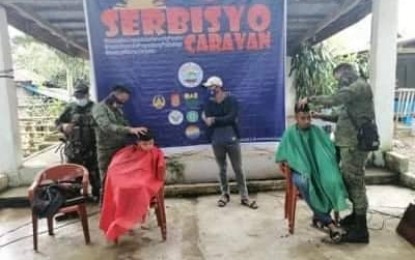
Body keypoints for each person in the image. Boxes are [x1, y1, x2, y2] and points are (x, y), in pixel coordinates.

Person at [299, 63, 376, 243]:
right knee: (348, 180)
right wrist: (319, 116)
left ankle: (361, 229)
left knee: (354, 182)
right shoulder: (352, 95)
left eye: (338, 77)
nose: (339, 82)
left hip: (355, 144)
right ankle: (356, 217)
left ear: (346, 73)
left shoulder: (358, 87)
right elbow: (339, 116)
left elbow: (335, 99)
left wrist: (310, 98)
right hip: (346, 143)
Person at [275, 103, 348, 241]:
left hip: (318, 169)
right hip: (299, 171)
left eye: (309, 118)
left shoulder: (317, 131)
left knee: (332, 180)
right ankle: (329, 222)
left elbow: (329, 150)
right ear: (296, 118)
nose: (307, 121)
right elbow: (282, 158)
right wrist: (290, 164)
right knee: (304, 182)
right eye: (303, 118)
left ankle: (319, 216)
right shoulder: (290, 133)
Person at [202, 76, 257, 209]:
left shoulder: (232, 100)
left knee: (238, 168)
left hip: (232, 137)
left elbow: (231, 117)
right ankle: (224, 194)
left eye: (211, 87)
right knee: (222, 169)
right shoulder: (209, 103)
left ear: (218, 87)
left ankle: (244, 197)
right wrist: (211, 119)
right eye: (208, 88)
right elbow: (208, 118)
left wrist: (214, 119)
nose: (209, 90)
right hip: (216, 138)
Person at [99, 131, 165, 242]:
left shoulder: (156, 152)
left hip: (145, 179)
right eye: (145, 144)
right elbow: (114, 166)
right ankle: (122, 219)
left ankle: (133, 217)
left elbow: (160, 171)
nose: (149, 146)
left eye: (151, 143)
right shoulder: (128, 151)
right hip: (126, 178)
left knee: (140, 187)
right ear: (138, 143)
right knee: (120, 189)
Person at [92, 85, 147, 200]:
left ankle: (120, 207)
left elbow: (124, 125)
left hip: (120, 149)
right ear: (116, 94)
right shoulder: (99, 108)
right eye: (122, 99)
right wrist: (130, 130)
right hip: (106, 151)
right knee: (107, 180)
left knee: (121, 179)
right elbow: (106, 126)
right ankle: (105, 208)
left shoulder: (117, 110)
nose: (123, 102)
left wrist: (137, 132)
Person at [55, 82, 100, 202]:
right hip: (74, 150)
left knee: (96, 178)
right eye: (77, 96)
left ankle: (98, 199)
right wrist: (63, 126)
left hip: (92, 149)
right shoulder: (70, 108)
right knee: (73, 178)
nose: (79, 99)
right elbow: (57, 123)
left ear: (87, 94)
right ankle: (74, 203)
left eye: (82, 96)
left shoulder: (96, 108)